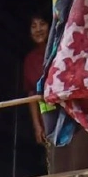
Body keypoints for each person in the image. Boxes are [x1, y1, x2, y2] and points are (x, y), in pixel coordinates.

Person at [23, 15, 51, 146]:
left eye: (42, 23)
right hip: (46, 117)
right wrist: (37, 126)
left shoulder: (61, 49)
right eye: (33, 26)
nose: (38, 29)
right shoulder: (30, 60)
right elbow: (31, 94)